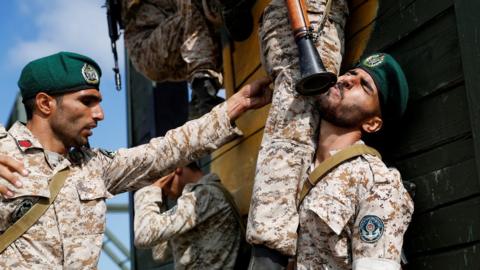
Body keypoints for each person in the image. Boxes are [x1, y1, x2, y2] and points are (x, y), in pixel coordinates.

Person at [0, 51, 271, 269]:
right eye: (87, 101)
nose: (100, 114)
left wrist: (236, 105)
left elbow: (165, 151)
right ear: (45, 104)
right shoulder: (5, 154)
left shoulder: (96, 166)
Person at [246, 0, 349, 267]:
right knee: (294, 115)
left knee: (296, 114)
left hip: (304, 17)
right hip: (287, 19)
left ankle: (269, 256)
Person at [301, 53, 414, 269]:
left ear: (372, 124)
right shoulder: (296, 163)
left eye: (365, 86)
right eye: (351, 73)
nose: (347, 80)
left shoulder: (377, 183)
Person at [122, 0, 254, 118]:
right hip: (147, 48)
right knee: (192, 8)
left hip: (175, 53)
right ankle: (204, 93)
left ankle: (199, 102)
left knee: (207, 32)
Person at [134, 162, 242, 269]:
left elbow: (143, 235)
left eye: (156, 179)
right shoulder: (197, 199)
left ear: (176, 168)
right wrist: (159, 201)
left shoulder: (204, 195)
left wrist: (148, 192)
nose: (158, 186)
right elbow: (160, 253)